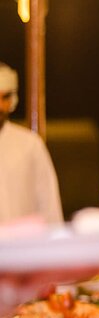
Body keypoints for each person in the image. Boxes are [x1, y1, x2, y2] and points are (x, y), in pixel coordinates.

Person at [0, 62, 63, 224]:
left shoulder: (30, 144)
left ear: (13, 100)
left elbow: (48, 202)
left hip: (23, 246)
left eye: (5, 97)